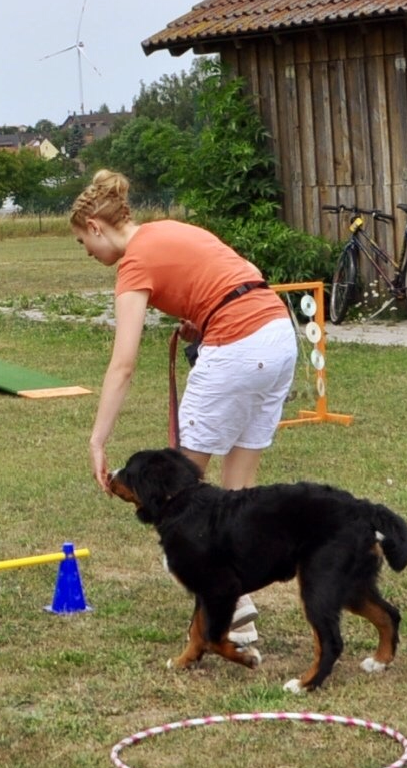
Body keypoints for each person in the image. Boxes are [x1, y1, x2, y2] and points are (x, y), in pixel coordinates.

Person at [73, 169, 296, 645]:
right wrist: (202, 318)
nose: (87, 252)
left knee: (180, 502)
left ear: (95, 226)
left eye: (82, 242)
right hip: (278, 334)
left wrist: (97, 440)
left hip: (237, 345)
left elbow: (123, 365)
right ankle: (239, 609)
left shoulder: (134, 264)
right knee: (237, 495)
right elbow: (234, 274)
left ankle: (228, 605)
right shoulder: (169, 229)